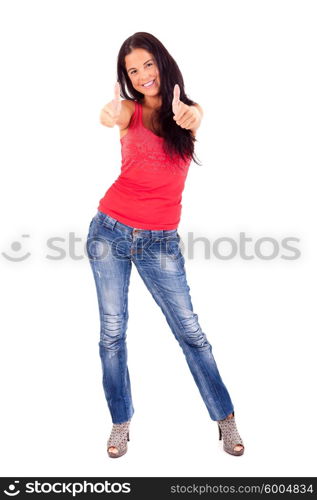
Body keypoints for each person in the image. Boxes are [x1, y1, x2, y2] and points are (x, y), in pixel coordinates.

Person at [86, 32, 244, 458]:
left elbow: (194, 117)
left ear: (162, 62)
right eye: (133, 71)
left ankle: (225, 418)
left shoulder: (188, 112)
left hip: (160, 242)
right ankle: (121, 421)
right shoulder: (126, 111)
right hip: (110, 231)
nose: (142, 76)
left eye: (147, 65)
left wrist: (188, 116)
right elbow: (110, 113)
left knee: (190, 331)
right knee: (112, 333)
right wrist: (108, 112)